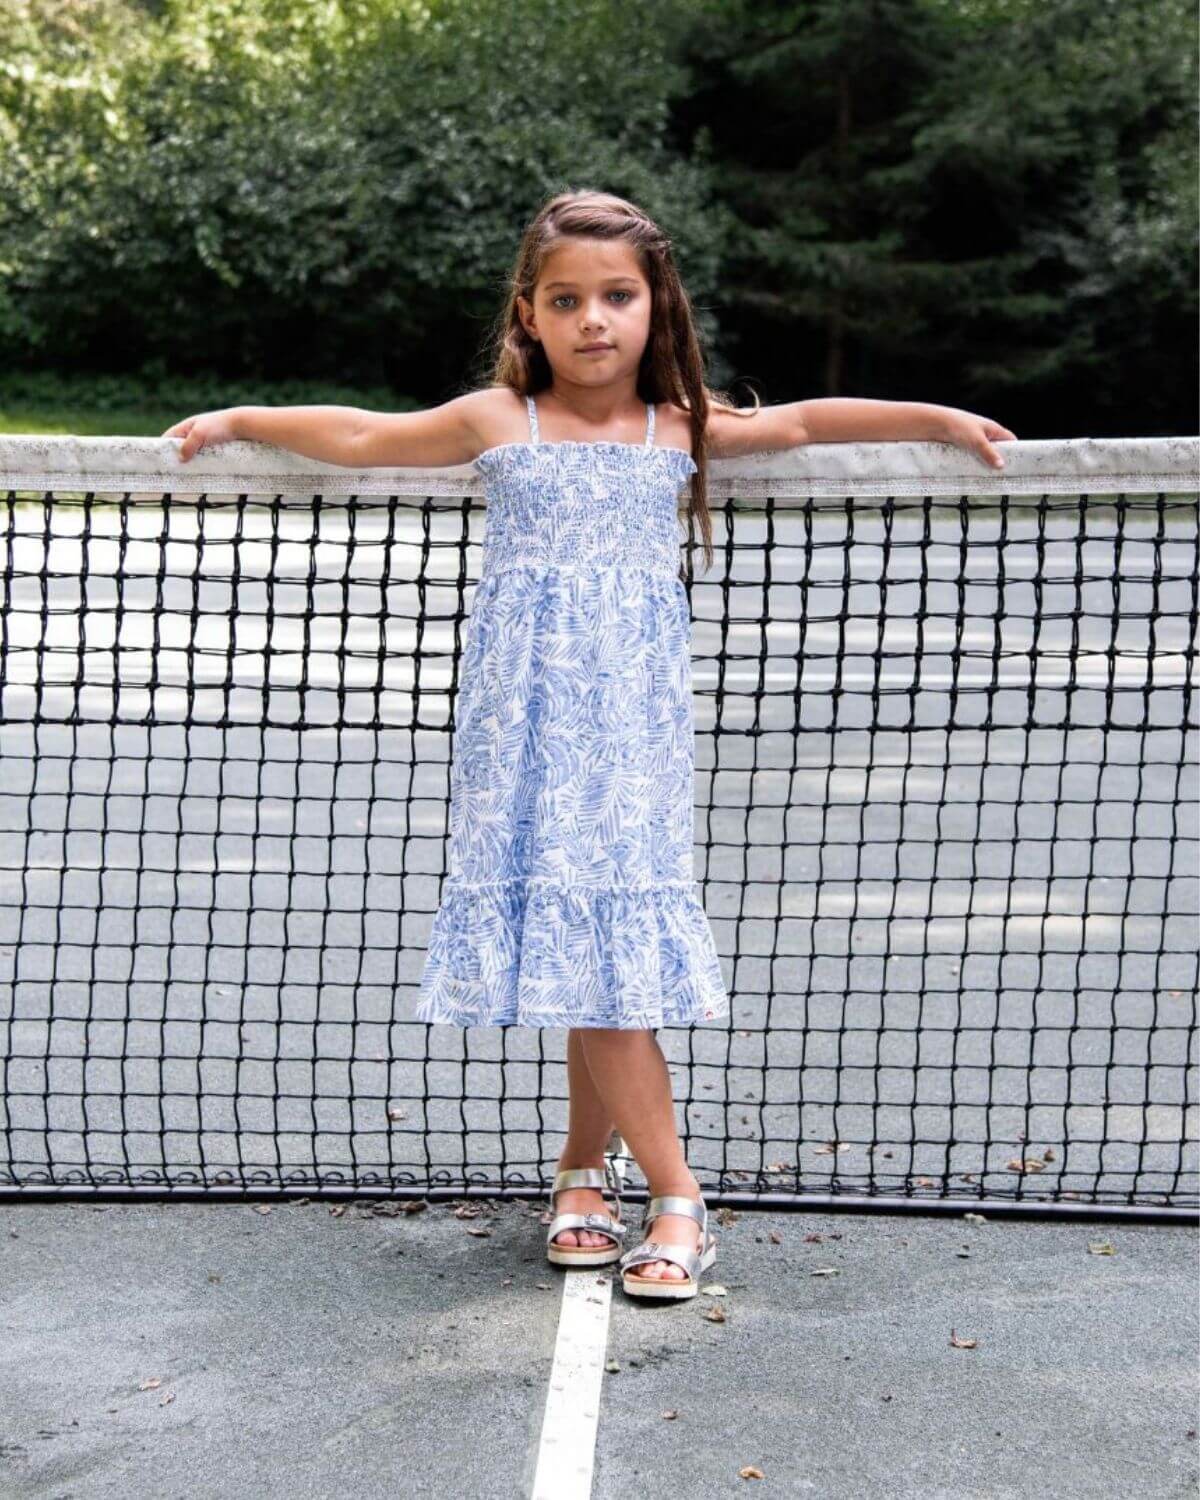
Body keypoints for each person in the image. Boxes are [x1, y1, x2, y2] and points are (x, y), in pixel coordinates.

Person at [163, 188, 1015, 1302]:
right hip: (521, 725)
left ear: (656, 308)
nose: (594, 320)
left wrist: (940, 420)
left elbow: (803, 422)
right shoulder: (496, 421)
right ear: (530, 313)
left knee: (608, 949)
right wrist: (240, 419)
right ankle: (600, 1180)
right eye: (567, 300)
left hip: (632, 729)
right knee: (583, 948)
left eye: (618, 296)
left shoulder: (678, 427)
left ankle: (660, 1193)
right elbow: (366, 436)